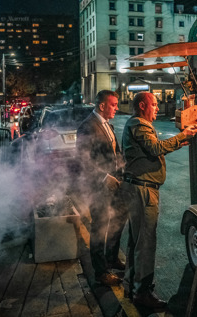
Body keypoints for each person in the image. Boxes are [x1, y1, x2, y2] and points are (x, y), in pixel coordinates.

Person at [122, 92, 197, 309]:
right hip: (143, 190)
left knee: (136, 241)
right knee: (145, 242)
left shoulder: (136, 124)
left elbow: (151, 151)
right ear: (143, 105)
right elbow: (154, 148)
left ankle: (131, 286)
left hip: (138, 187)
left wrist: (176, 144)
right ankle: (142, 293)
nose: (157, 108)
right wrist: (183, 136)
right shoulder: (140, 124)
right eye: (154, 104)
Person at [76, 90, 126, 287]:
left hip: (116, 183)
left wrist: (122, 172)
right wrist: (104, 177)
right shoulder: (87, 127)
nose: (116, 108)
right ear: (102, 105)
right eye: (113, 105)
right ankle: (101, 272)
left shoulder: (106, 124)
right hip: (98, 186)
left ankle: (112, 258)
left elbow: (115, 152)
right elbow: (82, 160)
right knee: (100, 227)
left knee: (118, 220)